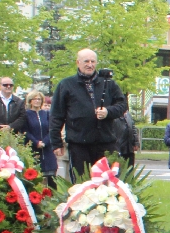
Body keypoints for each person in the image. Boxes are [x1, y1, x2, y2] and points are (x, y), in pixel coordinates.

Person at [50, 48, 128, 180]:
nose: (90, 65)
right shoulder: (66, 85)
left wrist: (108, 112)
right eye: (86, 61)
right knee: (82, 181)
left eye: (93, 61)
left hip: (105, 141)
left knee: (109, 181)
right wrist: (56, 143)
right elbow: (56, 115)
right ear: (78, 62)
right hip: (79, 143)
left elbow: (122, 105)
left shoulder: (108, 83)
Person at [19, 90, 57, 179]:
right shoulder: (26, 115)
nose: (37, 101)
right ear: (30, 101)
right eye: (35, 99)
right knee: (35, 175)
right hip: (33, 148)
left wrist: (44, 142)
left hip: (47, 148)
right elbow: (25, 131)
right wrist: (36, 142)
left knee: (51, 175)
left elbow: (51, 129)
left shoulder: (46, 114)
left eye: (39, 99)